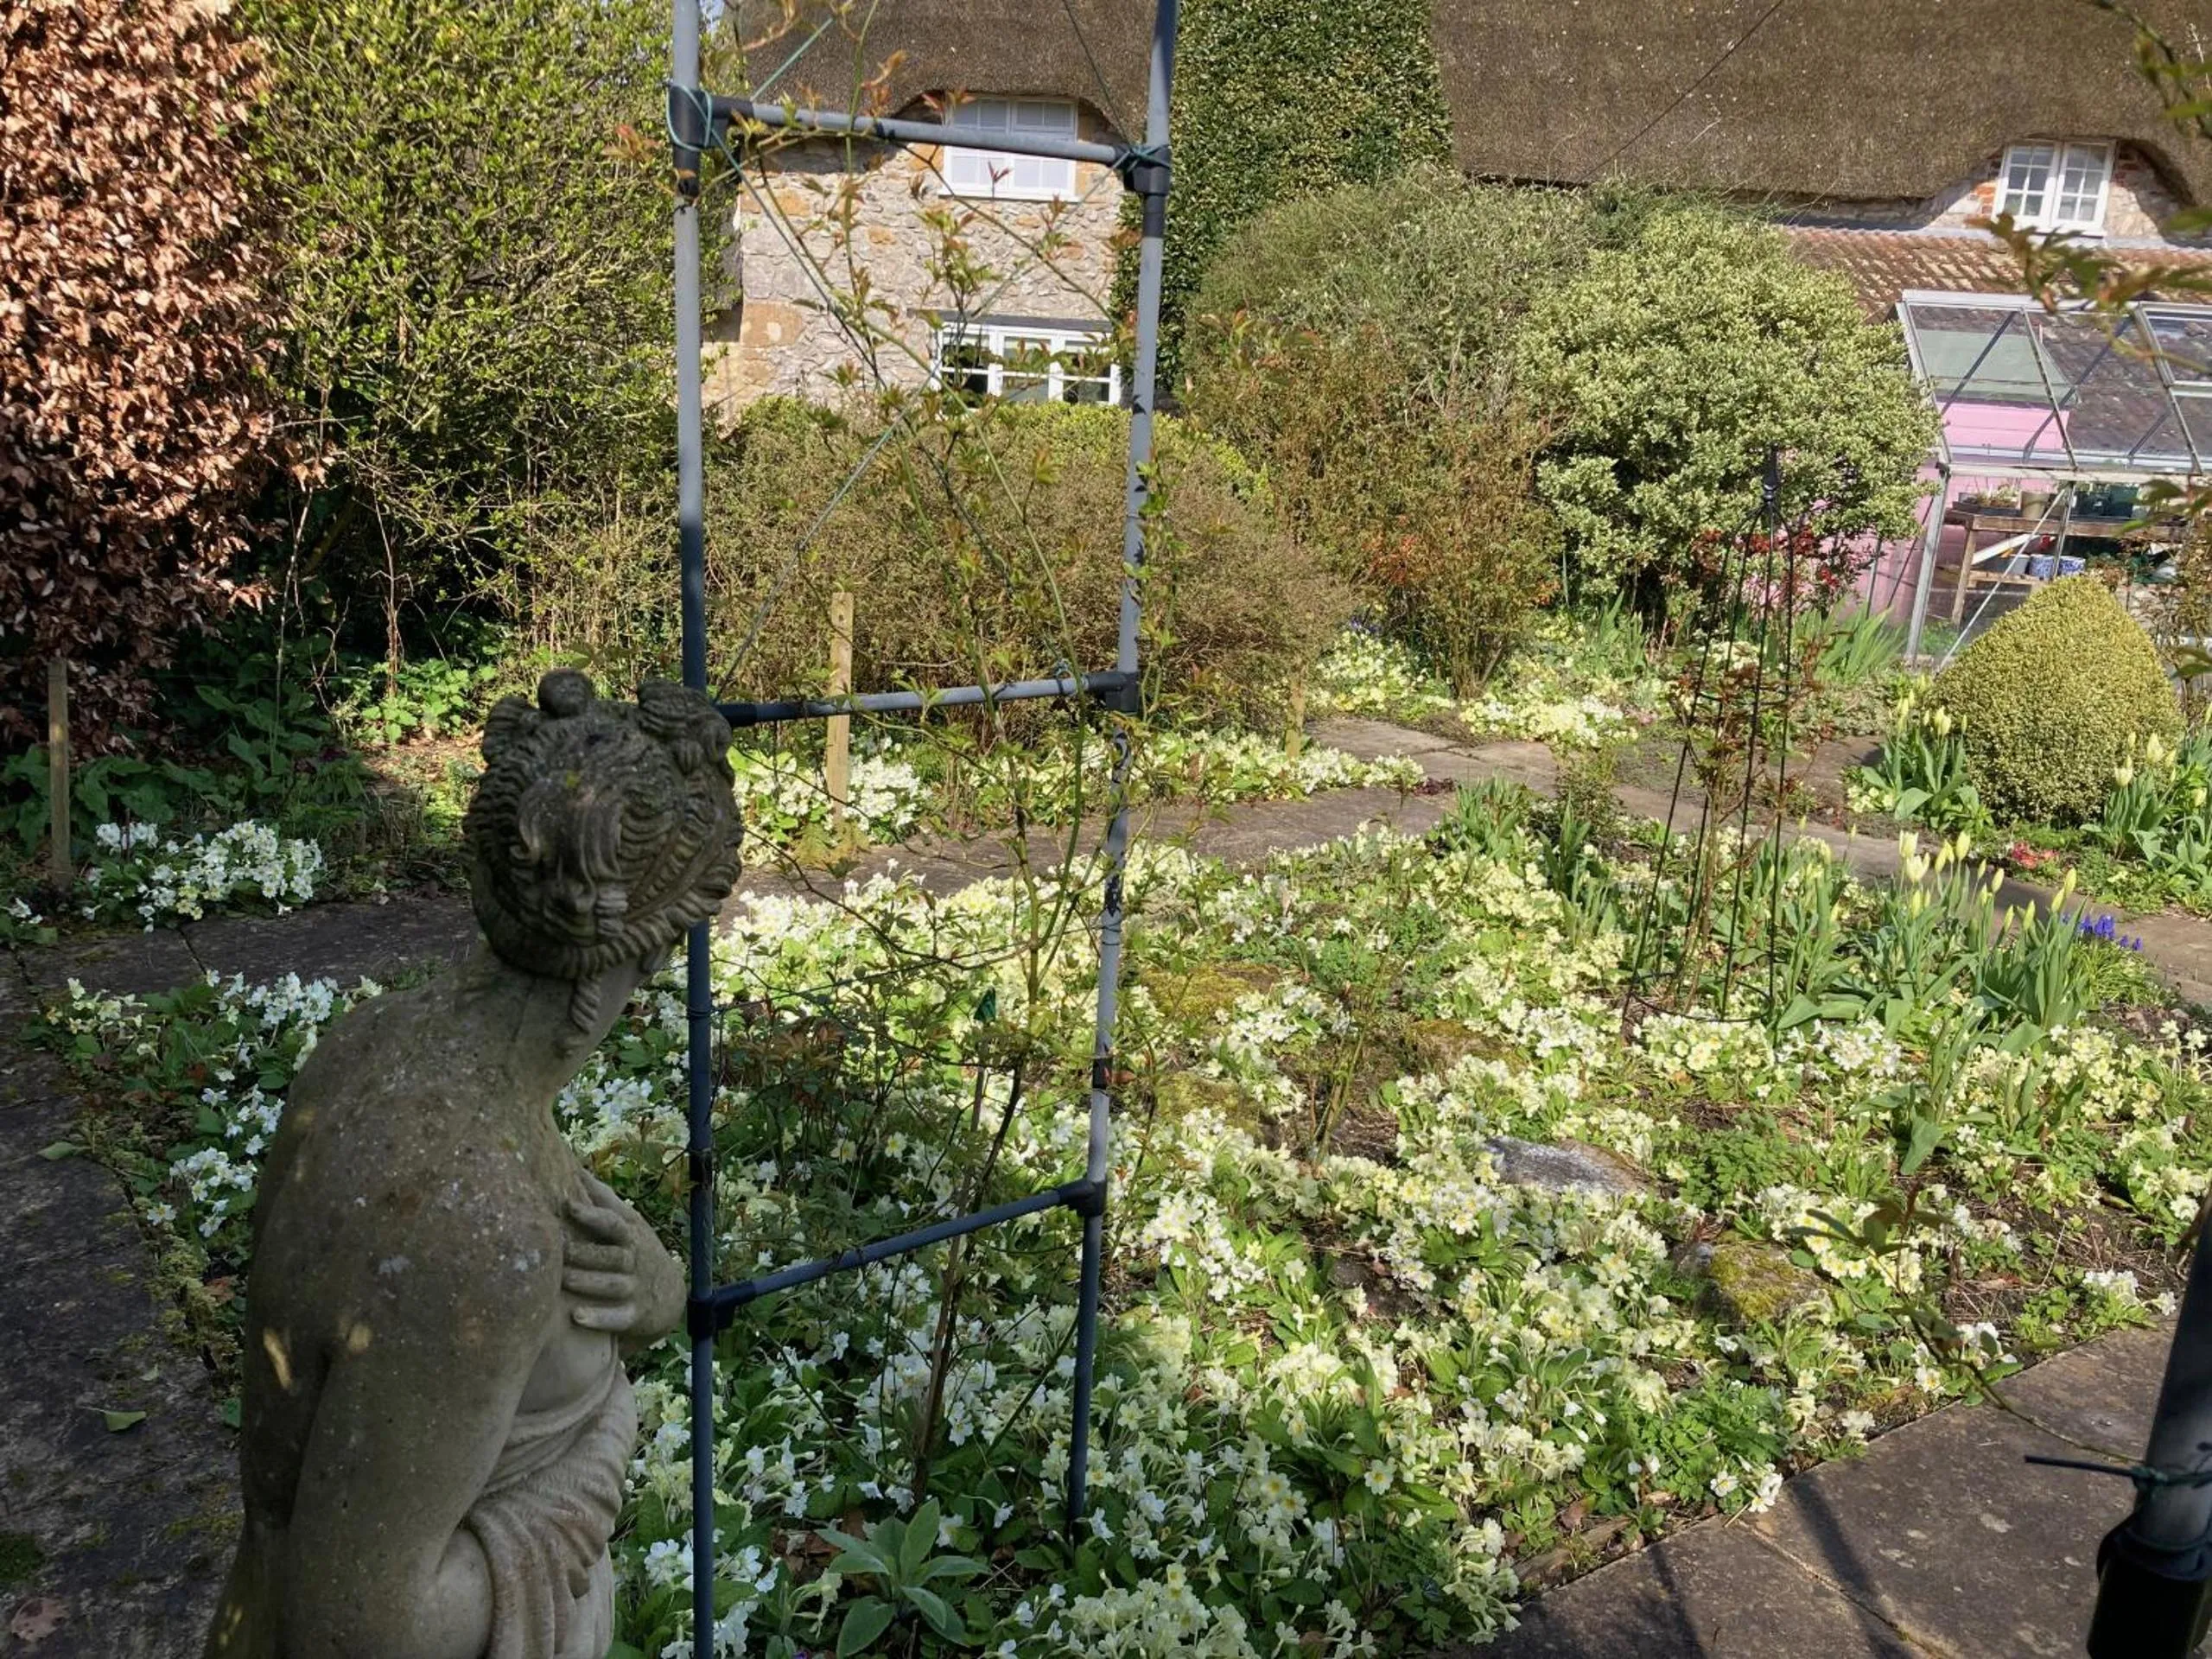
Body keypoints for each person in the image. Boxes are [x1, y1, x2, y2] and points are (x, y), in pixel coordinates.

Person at [205, 671, 740, 1658]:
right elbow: (356, 1632)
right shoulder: (478, 1235)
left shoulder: (368, 1048)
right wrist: (595, 1456)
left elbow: (518, 1197)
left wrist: (656, 1295)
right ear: (652, 951)